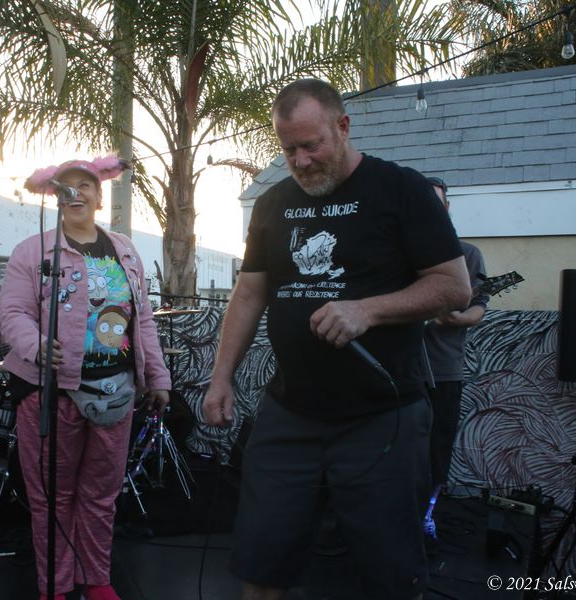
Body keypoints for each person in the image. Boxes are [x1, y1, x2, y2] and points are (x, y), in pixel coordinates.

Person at [201, 79, 471, 600]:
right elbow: (250, 293)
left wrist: (368, 309)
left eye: (311, 145)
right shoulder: (273, 203)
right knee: (262, 564)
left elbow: (453, 287)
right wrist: (221, 378)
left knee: (391, 575)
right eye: (289, 150)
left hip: (382, 417)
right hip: (290, 414)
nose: (300, 161)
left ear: (343, 127)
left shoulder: (401, 189)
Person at [0, 155, 171, 600]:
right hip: (50, 391)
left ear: (98, 195)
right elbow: (12, 312)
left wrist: (158, 376)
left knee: (100, 494)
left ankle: (95, 580)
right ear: (55, 196)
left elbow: (142, 318)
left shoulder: (124, 248)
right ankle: (55, 586)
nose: (76, 193)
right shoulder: (33, 251)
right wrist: (36, 345)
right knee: (52, 496)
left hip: (115, 392)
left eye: (85, 185)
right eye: (67, 186)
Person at [421, 176, 488, 548]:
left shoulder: (468, 254)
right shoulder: (399, 254)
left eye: (437, 202)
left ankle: (425, 517)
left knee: (436, 450)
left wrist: (458, 318)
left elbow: (479, 308)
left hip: (443, 372)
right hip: (397, 370)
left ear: (447, 208)